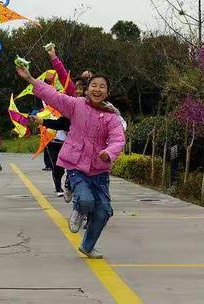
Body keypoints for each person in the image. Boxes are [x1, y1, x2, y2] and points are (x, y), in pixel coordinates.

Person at [16, 65, 125, 259]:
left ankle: (88, 246)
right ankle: (78, 209)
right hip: (77, 166)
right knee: (85, 200)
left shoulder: (111, 116)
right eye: (94, 85)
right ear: (87, 88)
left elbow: (118, 139)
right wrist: (31, 80)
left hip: (99, 172)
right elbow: (54, 97)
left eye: (102, 87)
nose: (97, 89)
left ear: (107, 92)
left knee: (103, 212)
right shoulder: (76, 105)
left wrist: (108, 152)